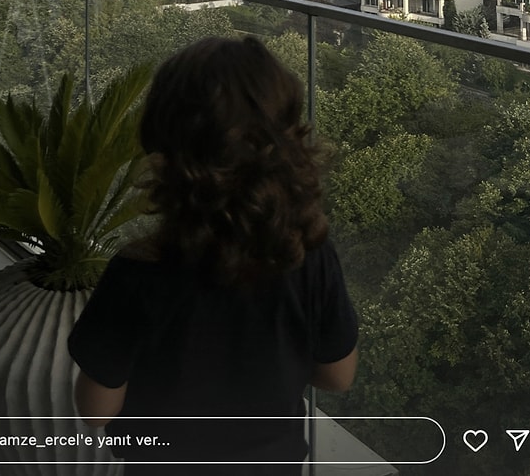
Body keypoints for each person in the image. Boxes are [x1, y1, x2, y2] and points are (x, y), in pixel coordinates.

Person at [68, 36, 358, 474]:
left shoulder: (135, 273)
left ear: (164, 158)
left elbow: (96, 409)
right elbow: (337, 377)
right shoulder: (310, 258)